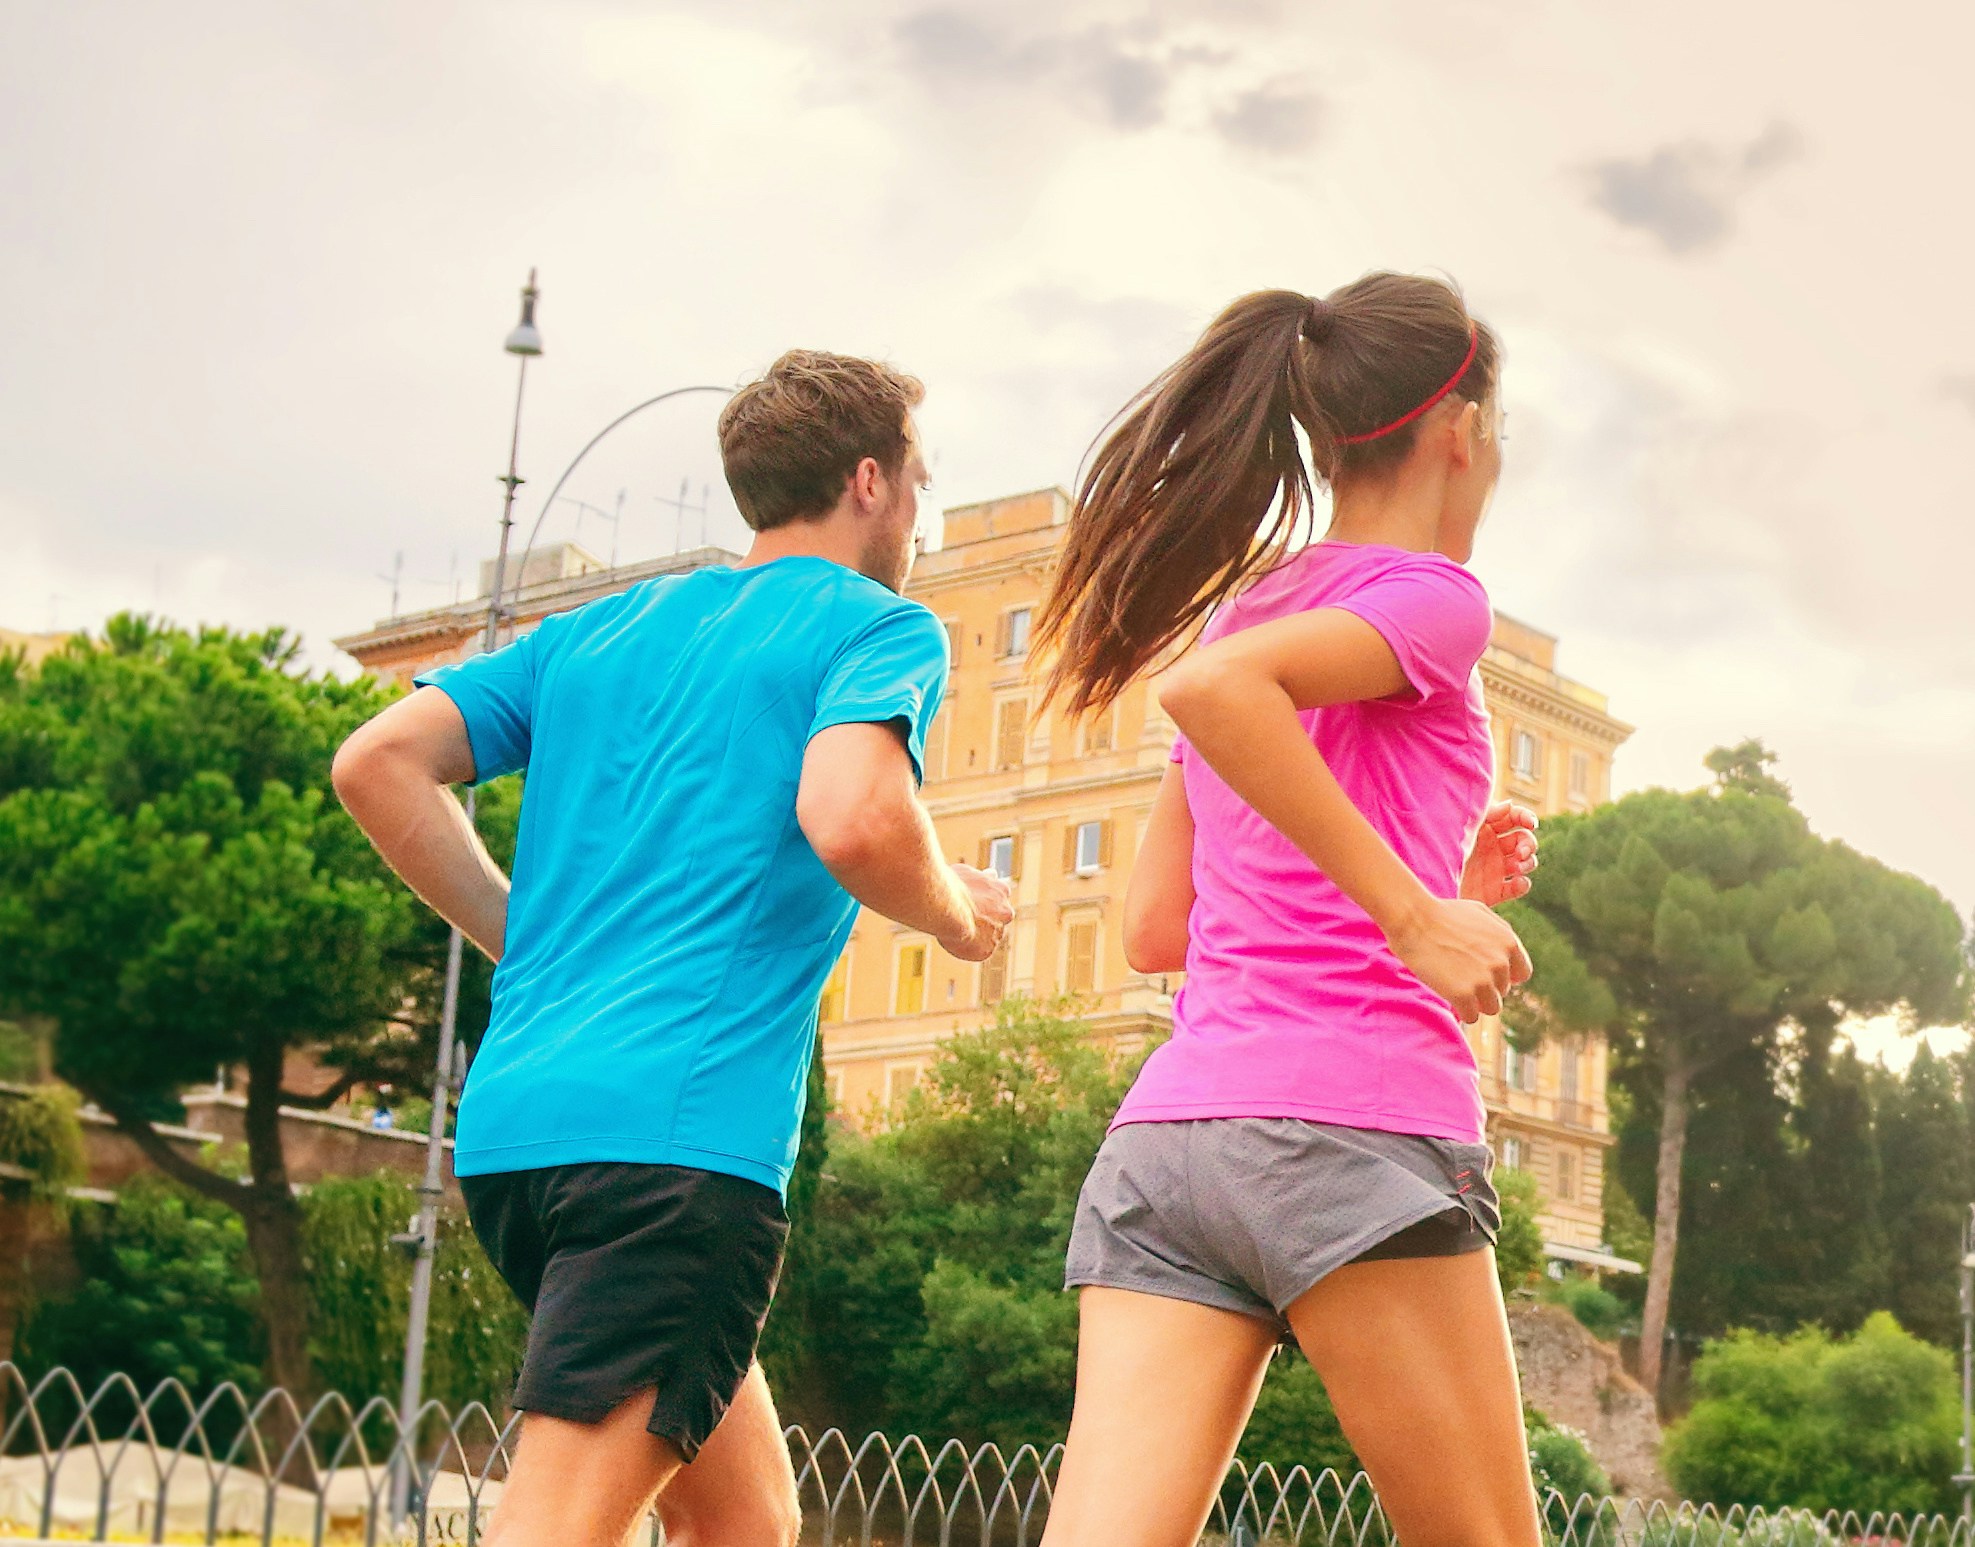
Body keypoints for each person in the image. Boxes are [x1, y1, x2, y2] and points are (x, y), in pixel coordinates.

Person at [333, 349, 1014, 1547]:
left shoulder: (597, 630)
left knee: (745, 1522)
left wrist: (522, 940)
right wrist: (958, 914)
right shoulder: (877, 626)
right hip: (672, 1160)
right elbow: (852, 814)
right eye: (919, 477)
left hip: (519, 1140)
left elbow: (376, 761)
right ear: (870, 481)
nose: (921, 507)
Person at [1032, 276, 1544, 1547]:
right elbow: (1210, 695)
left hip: (1174, 1145)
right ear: (1459, 431)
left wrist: (1436, 893)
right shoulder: (1431, 598)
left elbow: (1161, 927)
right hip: (1350, 1131)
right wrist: (1414, 919)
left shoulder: (1248, 605)